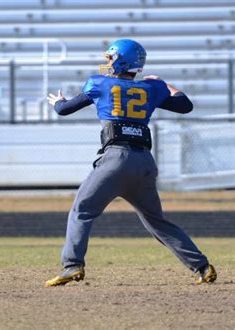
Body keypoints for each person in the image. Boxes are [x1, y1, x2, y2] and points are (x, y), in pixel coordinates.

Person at [45, 39, 217, 287]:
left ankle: (72, 265)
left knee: (81, 210)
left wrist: (58, 101)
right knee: (157, 221)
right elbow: (185, 106)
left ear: (121, 60)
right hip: (144, 162)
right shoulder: (152, 88)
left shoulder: (99, 83)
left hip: (116, 159)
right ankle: (202, 267)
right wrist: (165, 85)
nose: (107, 62)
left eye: (110, 58)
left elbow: (64, 110)